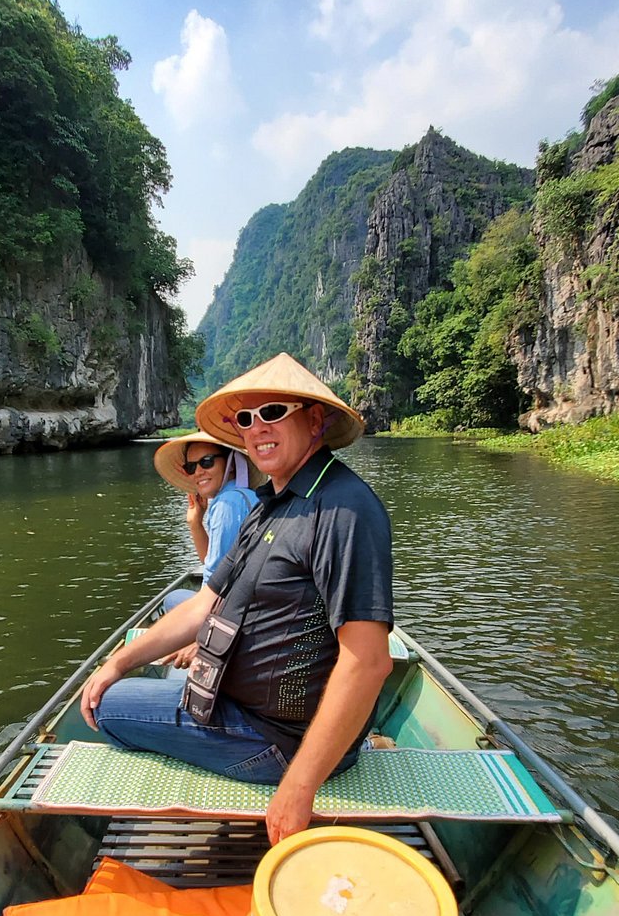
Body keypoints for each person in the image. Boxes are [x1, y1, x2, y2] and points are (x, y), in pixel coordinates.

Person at [81, 353, 394, 845]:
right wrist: (118, 662)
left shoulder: (345, 510)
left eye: (272, 412)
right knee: (109, 686)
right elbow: (207, 602)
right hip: (234, 708)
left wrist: (298, 786)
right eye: (245, 418)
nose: (256, 428)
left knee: (107, 711)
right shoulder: (271, 507)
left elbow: (368, 663)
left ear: (315, 420)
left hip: (275, 741)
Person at [152, 432, 258, 616]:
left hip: (238, 608)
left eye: (207, 461)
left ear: (230, 464)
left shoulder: (227, 503)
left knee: (172, 599)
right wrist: (195, 523)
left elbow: (214, 580)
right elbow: (215, 563)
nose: (198, 472)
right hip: (247, 598)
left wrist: (197, 613)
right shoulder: (245, 495)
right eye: (191, 467)